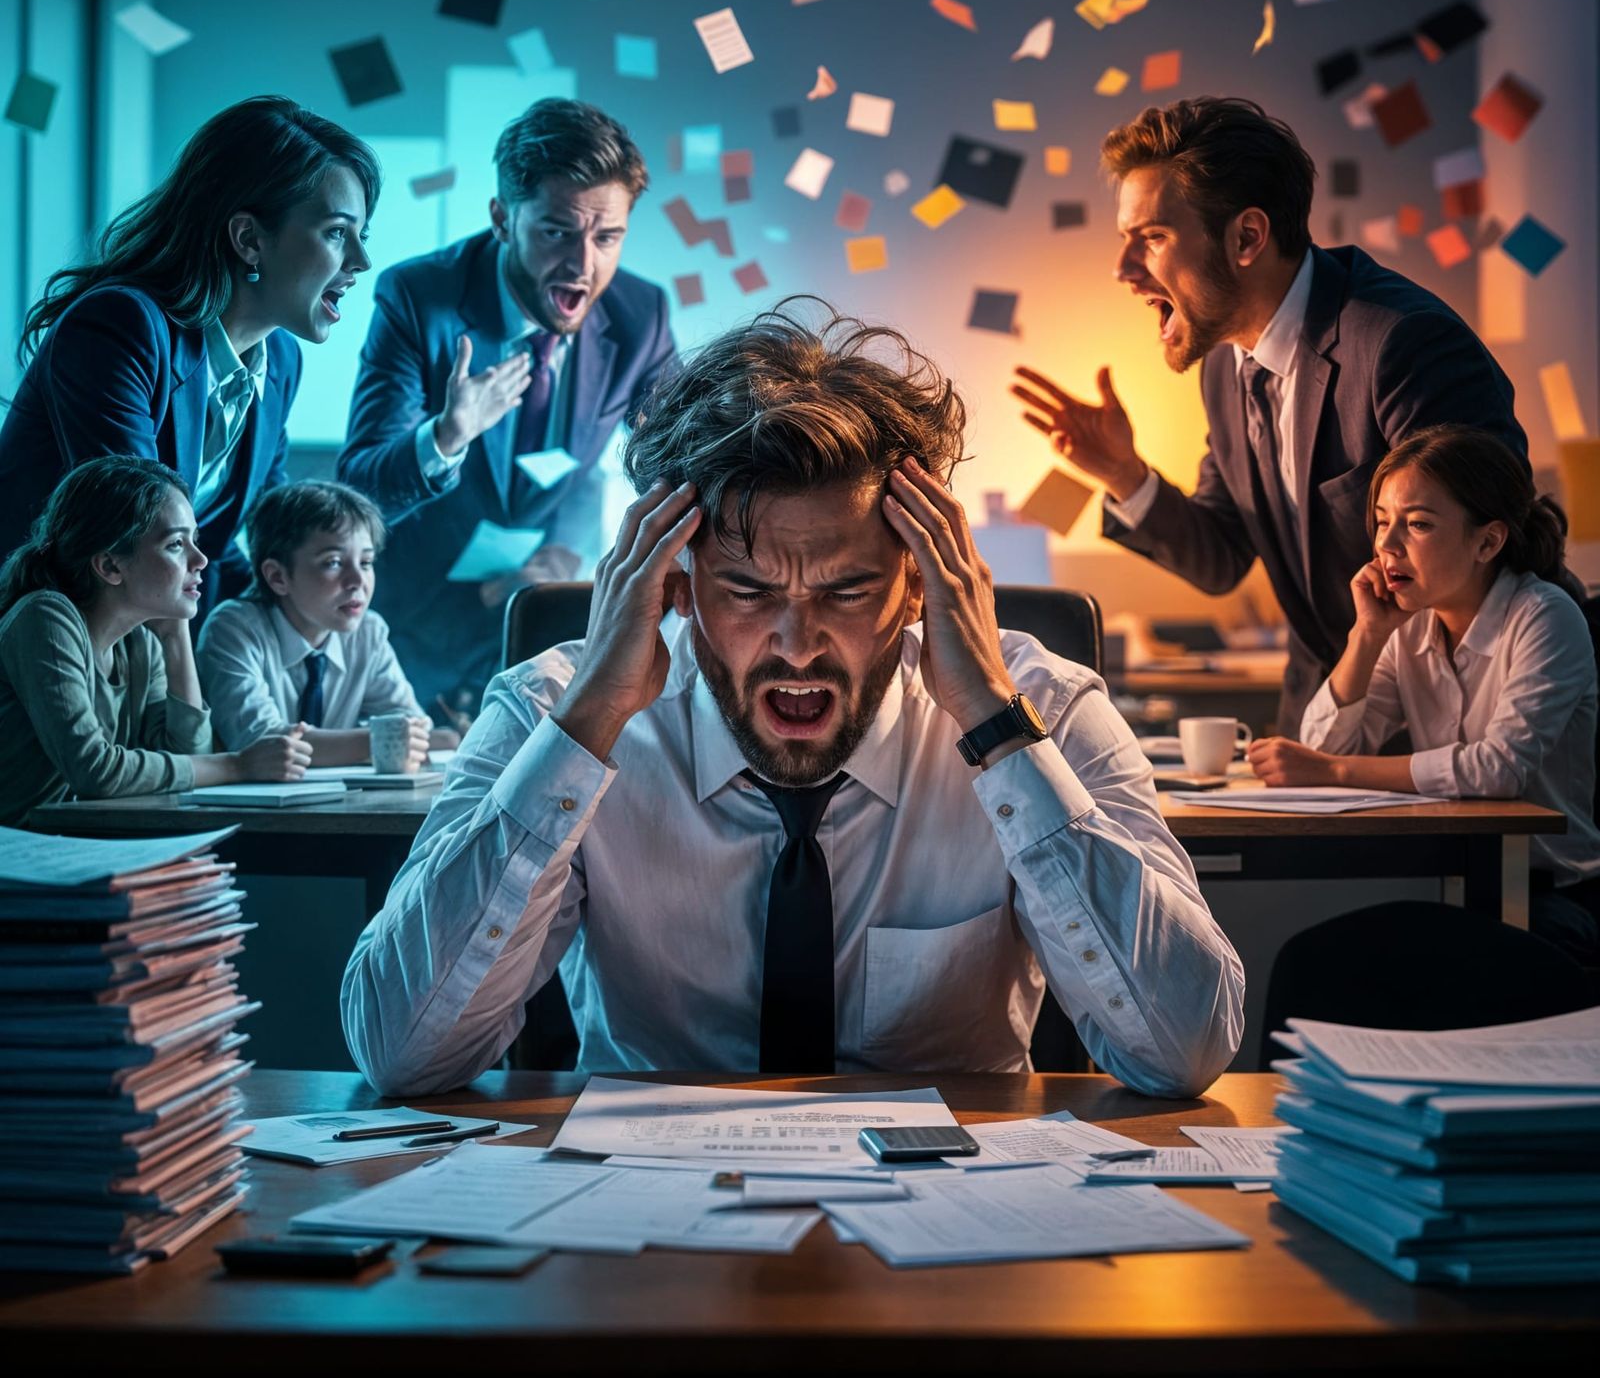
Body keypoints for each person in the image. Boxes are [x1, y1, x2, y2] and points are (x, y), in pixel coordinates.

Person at [342, 311, 1244, 1099]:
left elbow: (1185, 1050)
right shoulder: (553, 708)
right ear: (676, 584)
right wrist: (586, 728)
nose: (797, 642)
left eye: (848, 591)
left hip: (948, 1235)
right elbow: (400, 1053)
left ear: (922, 583)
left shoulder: (1044, 706)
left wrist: (997, 730)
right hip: (642, 1227)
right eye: (748, 590)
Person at [1011, 97, 1528, 732]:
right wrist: (1124, 474)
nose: (1124, 269)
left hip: (1441, 729)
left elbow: (1486, 562)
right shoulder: (1225, 369)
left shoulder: (1405, 343)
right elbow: (1221, 558)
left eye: (1152, 237)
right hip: (1317, 722)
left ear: (1247, 237)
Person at [337, 97, 678, 721]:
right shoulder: (417, 297)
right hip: (412, 633)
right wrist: (445, 436)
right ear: (501, 218)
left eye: (608, 237)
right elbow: (360, 488)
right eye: (556, 232)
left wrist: (573, 554)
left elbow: (681, 463)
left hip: (540, 631)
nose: (583, 265)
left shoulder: (641, 315)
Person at [0, 96, 379, 620]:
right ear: (249, 239)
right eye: (337, 233)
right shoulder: (120, 325)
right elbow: (140, 552)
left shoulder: (281, 362)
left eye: (362, 235)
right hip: (40, 642)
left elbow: (253, 547)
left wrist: (320, 614)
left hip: (144, 649)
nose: (361, 260)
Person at [1248, 425, 1600, 962]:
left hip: (1552, 894)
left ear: (1487, 541)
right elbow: (1324, 745)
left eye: (1417, 525)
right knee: (1314, 952)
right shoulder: (1409, 625)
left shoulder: (1544, 616)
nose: (1387, 547)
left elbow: (1496, 771)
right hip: (1451, 877)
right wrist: (1366, 636)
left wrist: (1334, 773)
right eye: (1383, 523)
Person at [0, 457, 311, 825]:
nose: (201, 559)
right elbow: (96, 772)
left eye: (194, 540)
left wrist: (176, 636)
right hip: (19, 854)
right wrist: (238, 765)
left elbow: (186, 756)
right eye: (176, 544)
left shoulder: (140, 645)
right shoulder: (45, 618)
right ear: (110, 566)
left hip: (80, 848)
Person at [196, 481, 461, 769]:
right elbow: (263, 743)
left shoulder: (368, 631)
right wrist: (375, 741)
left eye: (367, 562)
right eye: (333, 563)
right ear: (278, 577)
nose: (358, 581)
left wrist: (429, 737)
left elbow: (413, 729)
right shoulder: (234, 628)